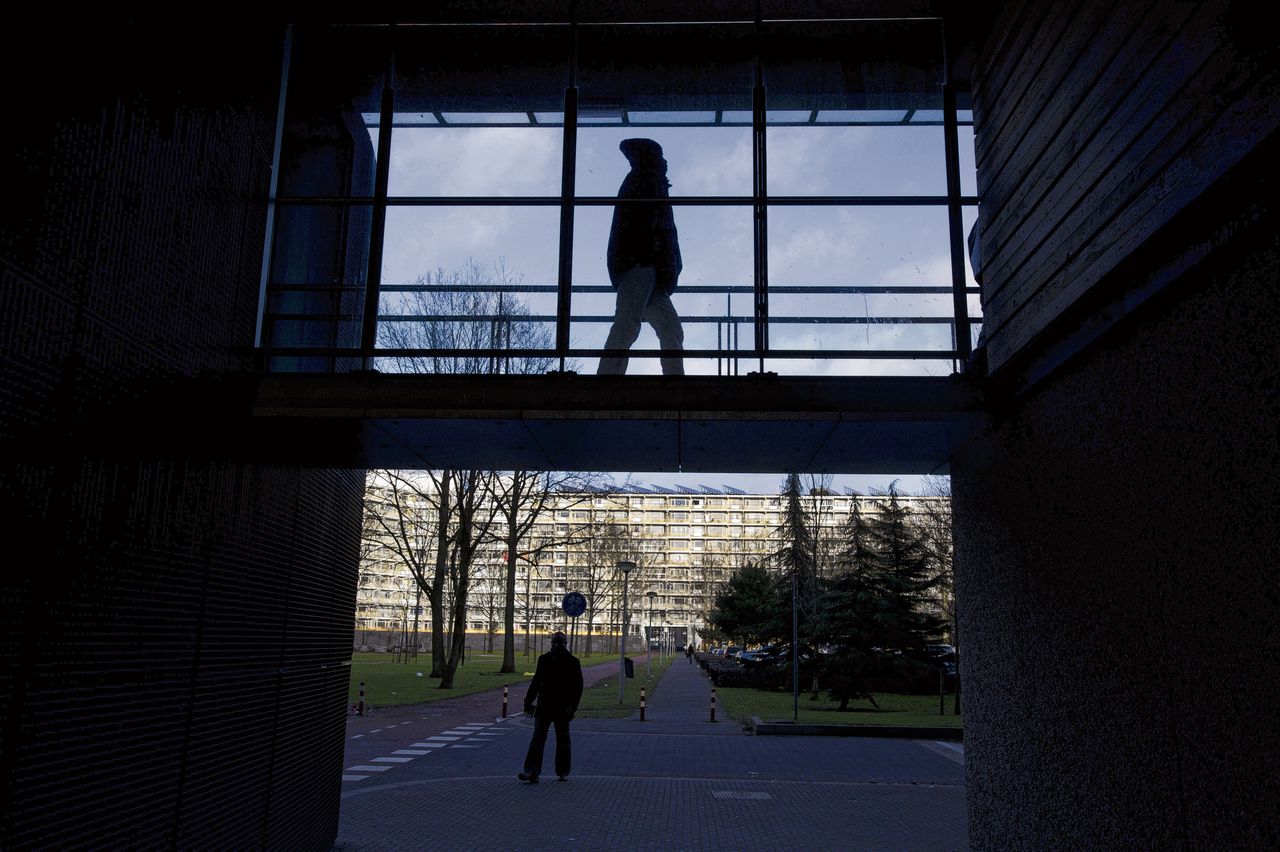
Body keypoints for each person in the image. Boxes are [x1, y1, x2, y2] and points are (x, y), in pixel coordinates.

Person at [597, 137, 685, 376]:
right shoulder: (647, 184)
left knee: (661, 327)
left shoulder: (643, 183)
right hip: (643, 265)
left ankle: (607, 376)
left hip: (644, 267)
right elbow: (659, 229)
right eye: (659, 157)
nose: (664, 163)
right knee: (642, 325)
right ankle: (607, 378)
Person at [518, 631, 584, 783]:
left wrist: (572, 707)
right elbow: (536, 682)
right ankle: (534, 772)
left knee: (560, 740)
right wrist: (528, 701)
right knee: (540, 739)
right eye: (555, 642)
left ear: (565, 644)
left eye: (559, 643)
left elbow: (577, 687)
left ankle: (560, 771)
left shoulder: (572, 662)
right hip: (546, 707)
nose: (556, 645)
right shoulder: (545, 660)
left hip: (560, 708)